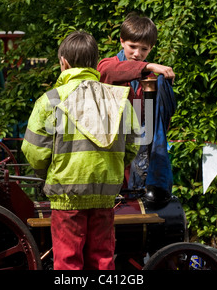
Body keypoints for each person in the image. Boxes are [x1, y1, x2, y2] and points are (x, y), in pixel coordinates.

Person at [21, 31, 140, 270]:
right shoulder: (120, 101)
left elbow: (33, 150)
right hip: (105, 194)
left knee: (68, 262)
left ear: (63, 62)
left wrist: (49, 174)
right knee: (103, 259)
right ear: (95, 63)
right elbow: (134, 145)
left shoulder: (50, 100)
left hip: (67, 196)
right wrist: (112, 169)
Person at [97, 13, 176, 206]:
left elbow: (155, 121)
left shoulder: (151, 77)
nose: (137, 53)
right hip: (108, 152)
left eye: (144, 49)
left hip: (137, 155)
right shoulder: (108, 64)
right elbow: (107, 72)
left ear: (151, 48)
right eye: (132, 46)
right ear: (122, 41)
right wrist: (147, 66)